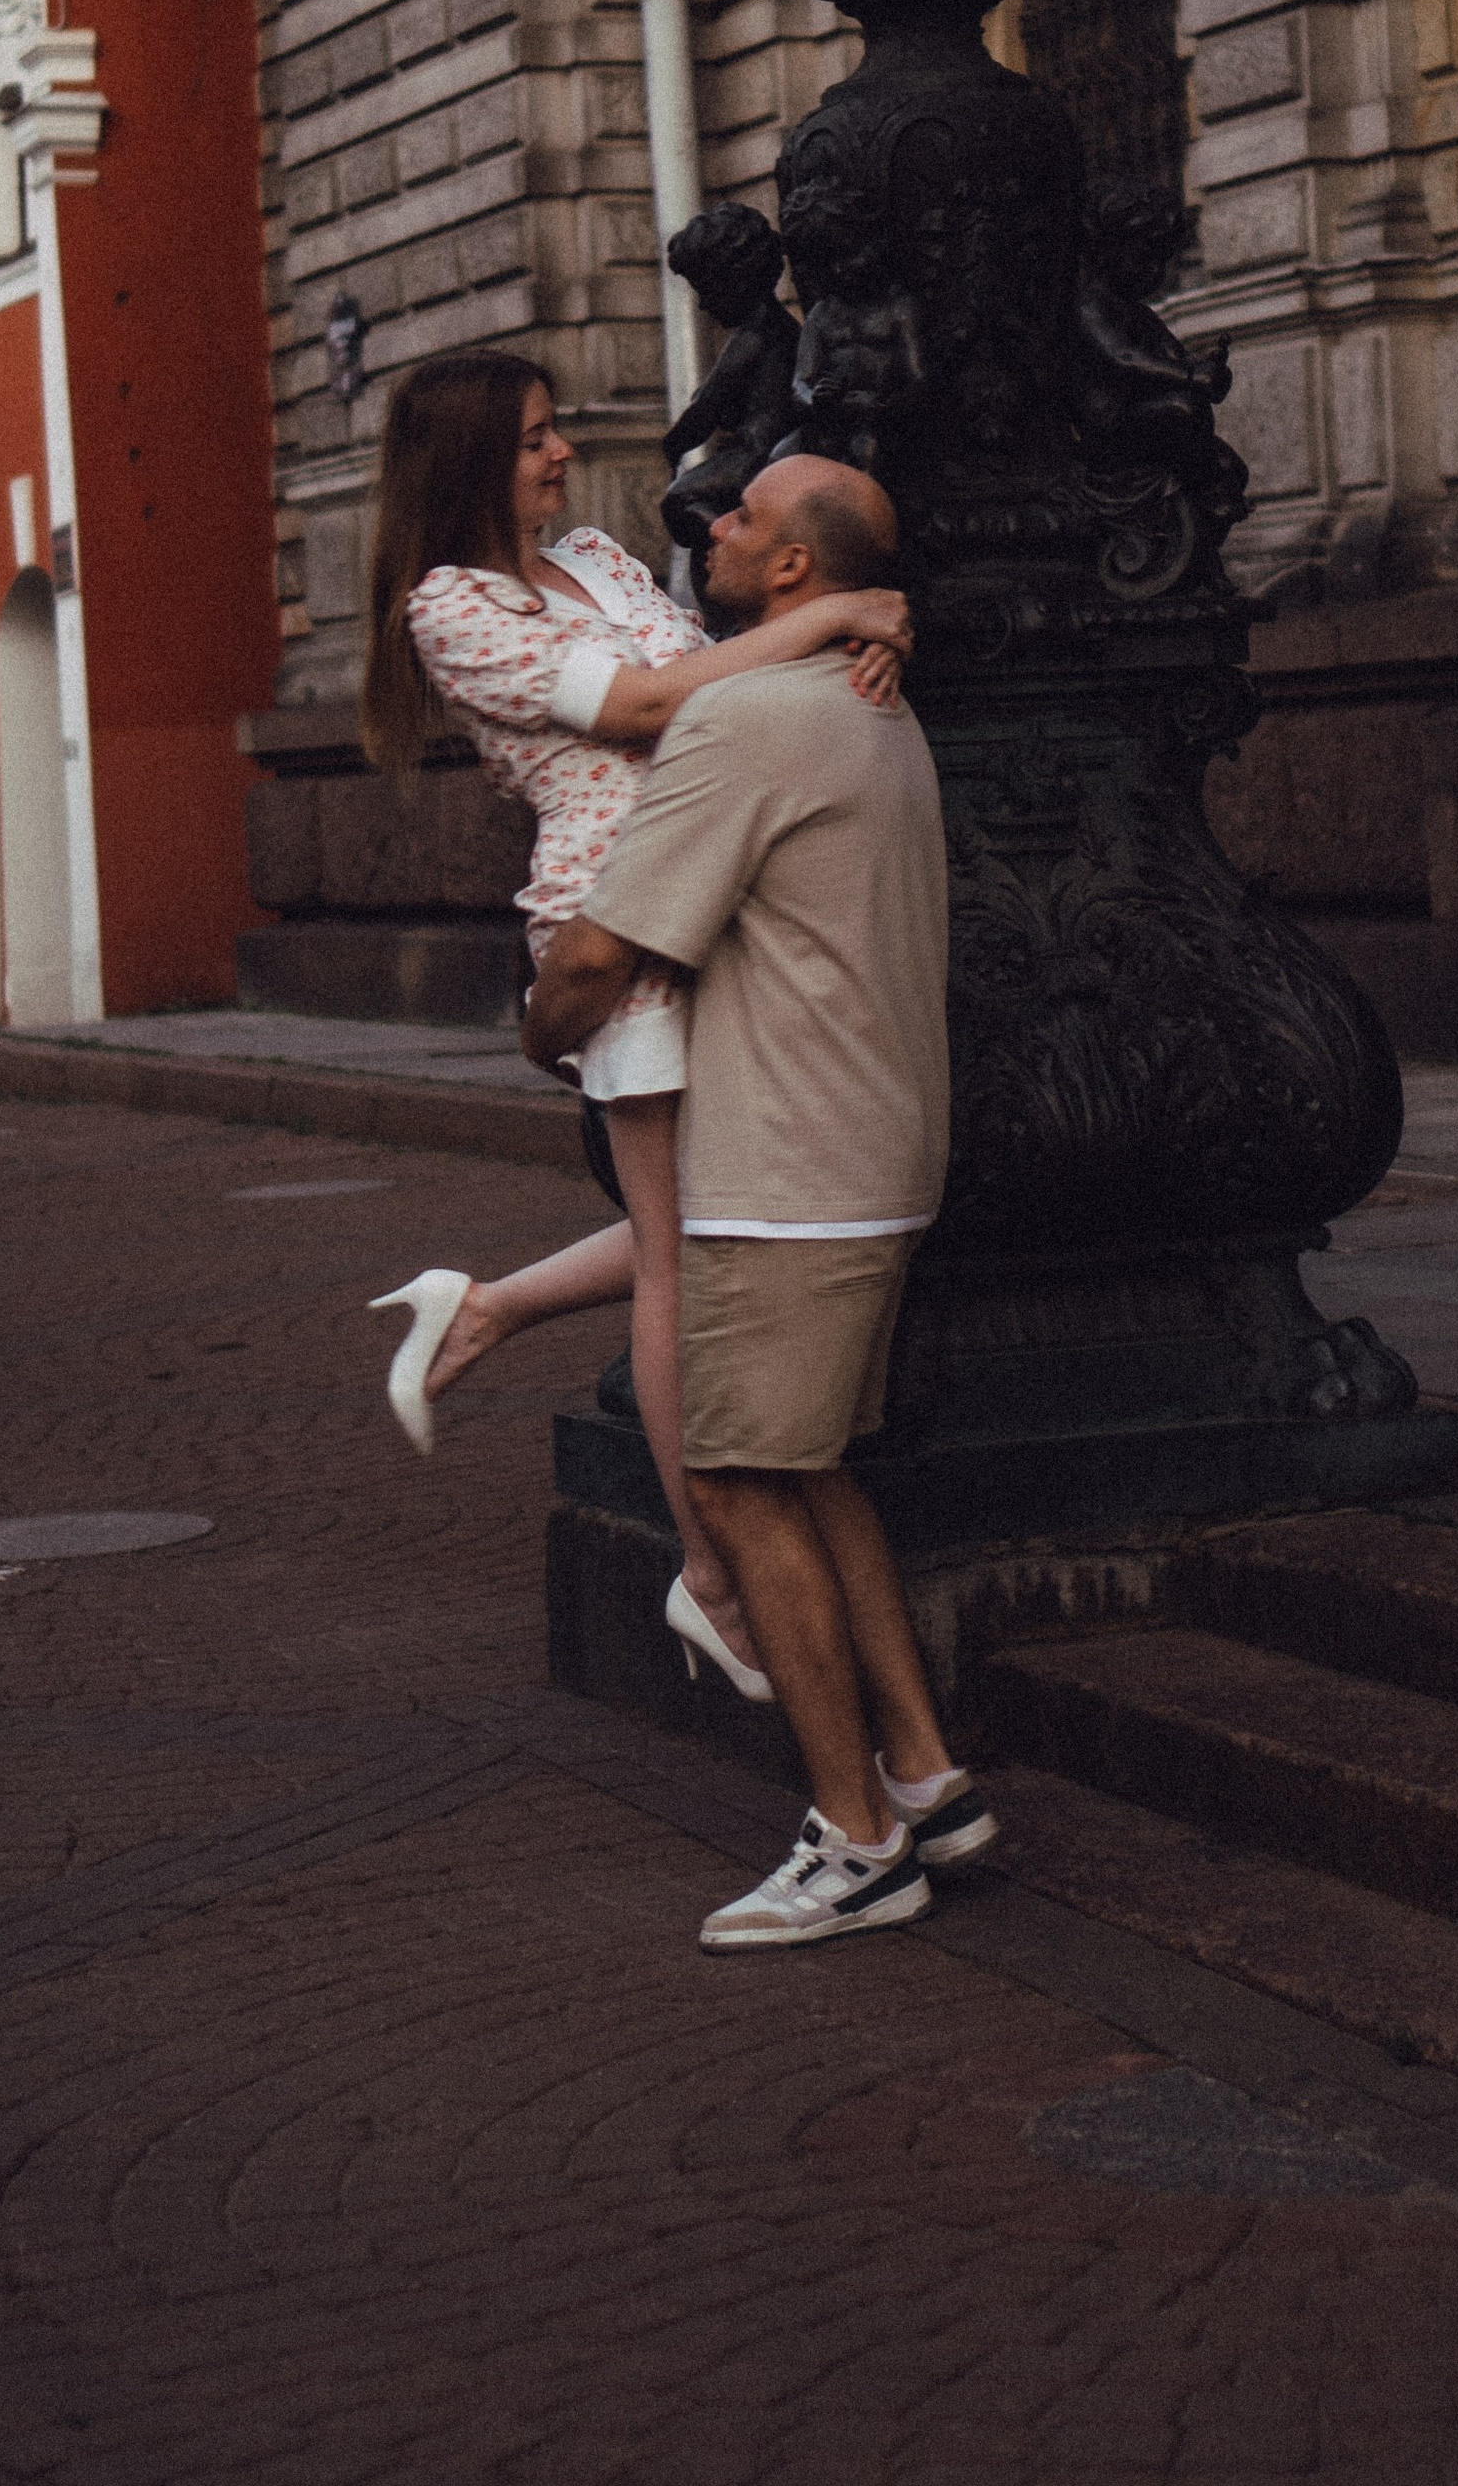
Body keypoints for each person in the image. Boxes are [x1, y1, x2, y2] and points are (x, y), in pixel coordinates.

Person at [360, 352, 911, 1704]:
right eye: (538, 438)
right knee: (677, 1255)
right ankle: (711, 1576)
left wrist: (837, 633)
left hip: (720, 896)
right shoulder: (452, 608)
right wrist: (845, 612)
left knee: (705, 1217)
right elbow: (655, 705)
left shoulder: (601, 560)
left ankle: (480, 1306)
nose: (563, 453)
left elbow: (720, 680)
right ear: (474, 459)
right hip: (616, 925)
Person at [523, 454, 999, 1953]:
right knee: (810, 1469)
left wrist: (536, 1025)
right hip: (869, 1151)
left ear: (796, 571)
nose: (709, 529)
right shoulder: (874, 703)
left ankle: (855, 1842)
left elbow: (605, 954)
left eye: (739, 520)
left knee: (730, 1479)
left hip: (783, 1170)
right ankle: (924, 1782)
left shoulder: (745, 719)